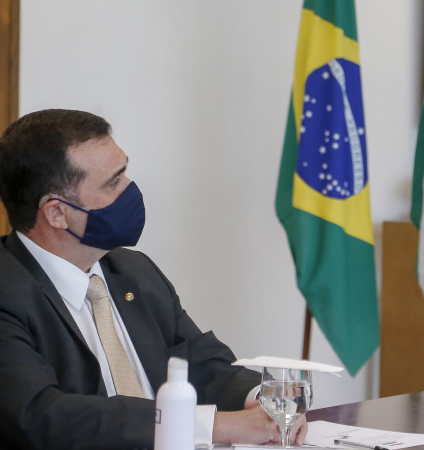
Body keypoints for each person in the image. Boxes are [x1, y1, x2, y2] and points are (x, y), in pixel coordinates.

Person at [0, 109, 307, 449]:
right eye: (113, 182)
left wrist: (264, 401)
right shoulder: (8, 291)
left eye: (124, 171)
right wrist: (215, 426)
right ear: (57, 213)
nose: (130, 189)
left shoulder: (134, 270)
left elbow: (201, 363)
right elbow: (43, 416)